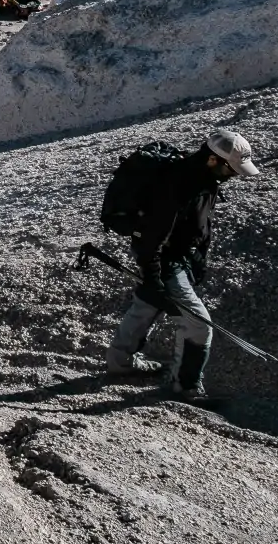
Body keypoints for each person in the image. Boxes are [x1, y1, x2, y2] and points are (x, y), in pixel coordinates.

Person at [105, 129, 259, 400]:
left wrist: (198, 258)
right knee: (199, 326)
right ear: (213, 160)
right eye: (231, 170)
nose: (233, 176)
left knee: (146, 303)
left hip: (177, 257)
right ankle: (185, 386)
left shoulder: (204, 179)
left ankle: (120, 362)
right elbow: (152, 237)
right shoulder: (180, 185)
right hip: (166, 261)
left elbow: (198, 226)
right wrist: (153, 276)